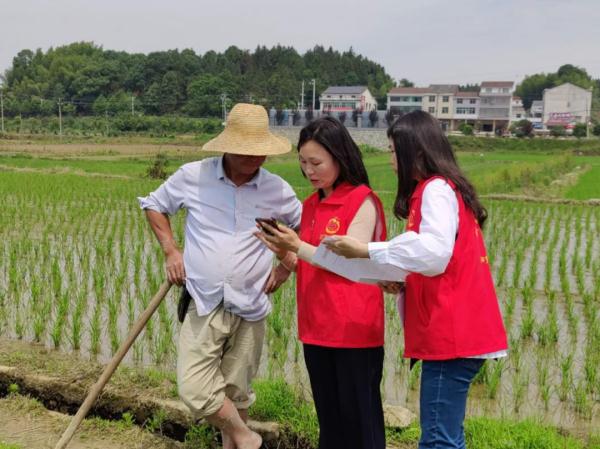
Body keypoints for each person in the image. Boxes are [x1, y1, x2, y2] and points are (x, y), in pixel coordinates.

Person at [322, 110, 508, 449]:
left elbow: (434, 253)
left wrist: (368, 250)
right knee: (446, 437)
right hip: (460, 335)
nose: (391, 159)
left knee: (438, 440)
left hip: (452, 338)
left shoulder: (435, 189)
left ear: (416, 152)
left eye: (394, 151)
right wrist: (404, 280)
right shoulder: (443, 188)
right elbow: (439, 259)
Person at [138, 103, 302, 449]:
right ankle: (248, 438)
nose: (256, 159)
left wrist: (286, 265)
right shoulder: (193, 176)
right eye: (247, 152)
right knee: (195, 389)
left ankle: (238, 440)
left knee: (237, 393)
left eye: (261, 152)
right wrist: (171, 250)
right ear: (228, 146)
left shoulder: (277, 190)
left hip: (251, 304)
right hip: (205, 301)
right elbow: (154, 204)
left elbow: (304, 231)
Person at [254, 116, 388, 449]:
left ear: (340, 157)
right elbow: (310, 264)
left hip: (354, 330)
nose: (309, 170)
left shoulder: (362, 200)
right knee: (330, 420)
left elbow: (347, 264)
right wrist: (284, 252)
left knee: (360, 422)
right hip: (317, 327)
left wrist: (296, 245)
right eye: (303, 162)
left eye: (317, 162)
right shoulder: (311, 205)